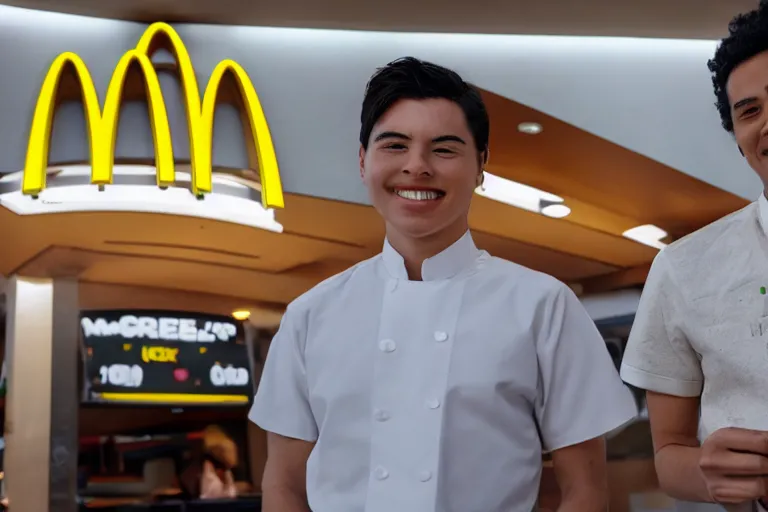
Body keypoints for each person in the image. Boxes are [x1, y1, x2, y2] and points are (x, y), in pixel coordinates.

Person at [250, 56, 637, 512]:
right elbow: (283, 488)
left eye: (444, 148)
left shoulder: (543, 306)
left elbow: (585, 491)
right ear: (362, 160)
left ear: (480, 167)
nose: (417, 166)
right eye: (394, 146)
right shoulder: (309, 317)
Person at [620, 2, 768, 509]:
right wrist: (714, 475)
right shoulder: (684, 269)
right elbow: (670, 453)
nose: (766, 122)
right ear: (738, 138)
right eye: (749, 110)